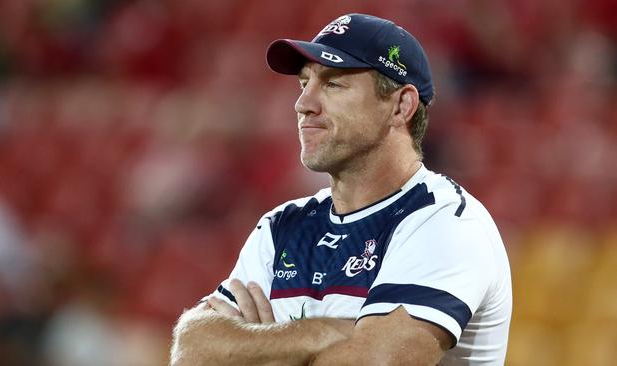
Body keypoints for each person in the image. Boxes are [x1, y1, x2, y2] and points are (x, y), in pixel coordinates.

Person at [170, 13, 512, 366]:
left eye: (333, 84)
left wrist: (259, 348)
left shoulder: (445, 223)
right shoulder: (281, 227)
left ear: (401, 106)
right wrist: (323, 334)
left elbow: (374, 361)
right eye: (304, 83)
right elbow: (191, 351)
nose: (303, 104)